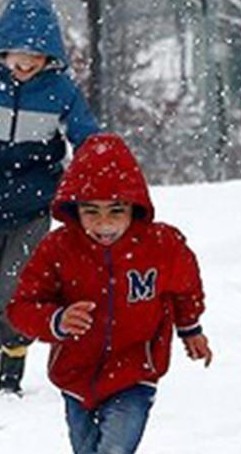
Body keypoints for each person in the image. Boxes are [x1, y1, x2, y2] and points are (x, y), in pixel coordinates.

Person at [6, 133, 212, 453]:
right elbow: (22, 307)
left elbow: (185, 287)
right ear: (75, 209)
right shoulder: (58, 248)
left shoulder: (161, 245)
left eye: (116, 211)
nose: (104, 224)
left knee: (115, 449)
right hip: (75, 374)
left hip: (134, 372)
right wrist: (56, 320)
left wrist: (190, 328)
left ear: (135, 205)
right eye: (92, 212)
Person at [0, 0, 100, 394]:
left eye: (34, 59)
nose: (25, 67)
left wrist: (96, 168)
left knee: (15, 286)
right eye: (18, 58)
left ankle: (12, 357)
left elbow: (86, 137)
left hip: (32, 206)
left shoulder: (60, 92)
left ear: (49, 57)